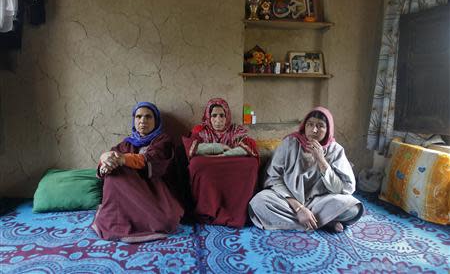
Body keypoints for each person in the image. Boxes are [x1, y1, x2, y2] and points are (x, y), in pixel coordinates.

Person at [249, 106, 363, 232]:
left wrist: (321, 160)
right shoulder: (290, 143)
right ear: (304, 126)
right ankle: (324, 222)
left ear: (328, 129)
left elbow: (342, 189)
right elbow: (274, 179)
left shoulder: (335, 150)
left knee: (354, 209)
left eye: (320, 126)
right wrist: (299, 209)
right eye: (310, 124)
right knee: (258, 203)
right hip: (289, 201)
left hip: (320, 202)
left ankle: (310, 220)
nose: (314, 130)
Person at [92, 102, 183, 243]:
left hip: (155, 191)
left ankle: (143, 220)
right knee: (113, 171)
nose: (143, 121)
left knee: (164, 222)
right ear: (134, 120)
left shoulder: (163, 140)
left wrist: (123, 159)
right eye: (139, 117)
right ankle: (116, 221)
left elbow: (150, 160)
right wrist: (106, 162)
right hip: (131, 192)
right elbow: (112, 155)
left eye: (148, 117)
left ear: (156, 120)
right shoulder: (128, 143)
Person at [183, 98, 259, 227]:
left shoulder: (236, 130)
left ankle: (237, 212)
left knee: (251, 163)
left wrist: (225, 155)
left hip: (229, 167)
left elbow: (249, 147)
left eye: (222, 115)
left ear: (227, 116)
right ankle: (208, 210)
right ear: (208, 116)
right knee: (196, 164)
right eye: (214, 116)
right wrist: (218, 147)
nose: (218, 120)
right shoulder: (200, 130)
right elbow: (191, 148)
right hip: (210, 169)